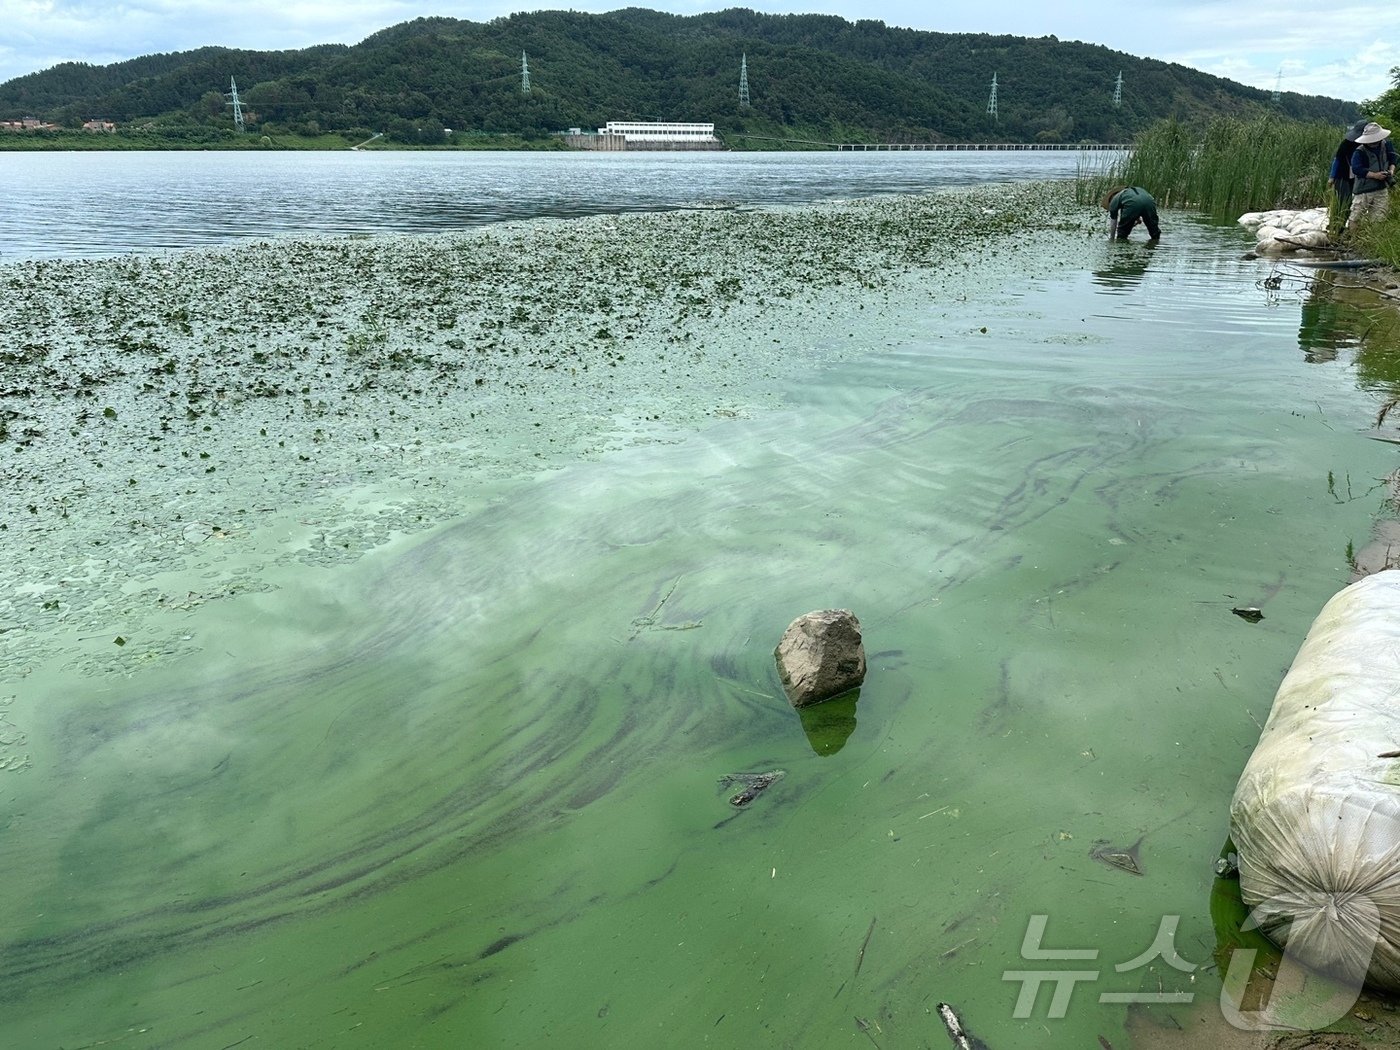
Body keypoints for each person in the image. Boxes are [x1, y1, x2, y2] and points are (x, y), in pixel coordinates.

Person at [1348, 121, 1397, 230]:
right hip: (1363, 189)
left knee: (1379, 216)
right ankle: (1353, 239)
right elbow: (1356, 169)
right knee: (1356, 215)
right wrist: (1375, 175)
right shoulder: (1359, 151)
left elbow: (1393, 159)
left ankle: (1374, 240)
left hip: (1381, 188)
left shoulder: (1386, 145)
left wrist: (1391, 171)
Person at [1329, 119, 1369, 232]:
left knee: (1356, 203)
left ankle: (1352, 227)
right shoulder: (1346, 143)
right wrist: (1332, 177)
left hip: (1360, 177)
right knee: (1342, 201)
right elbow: (1337, 160)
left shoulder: (1370, 144)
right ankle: (1337, 227)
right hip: (1343, 176)